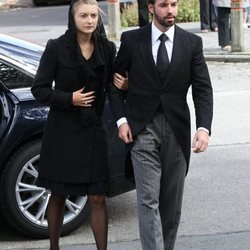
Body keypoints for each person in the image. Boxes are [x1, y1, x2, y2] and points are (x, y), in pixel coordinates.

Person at [110, 0, 213, 249]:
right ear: (151, 8)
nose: (171, 10)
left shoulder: (192, 43)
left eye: (175, 4)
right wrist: (122, 120)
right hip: (141, 129)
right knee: (147, 200)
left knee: (171, 204)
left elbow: (202, 89)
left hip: (176, 130)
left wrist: (203, 127)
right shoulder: (132, 40)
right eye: (164, 5)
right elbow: (112, 86)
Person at [31, 0, 125, 249]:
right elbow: (39, 89)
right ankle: (54, 247)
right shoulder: (56, 47)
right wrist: (68, 98)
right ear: (73, 18)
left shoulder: (107, 48)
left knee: (97, 197)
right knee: (58, 194)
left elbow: (112, 90)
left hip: (93, 131)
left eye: (94, 15)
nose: (89, 20)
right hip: (62, 132)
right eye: (84, 15)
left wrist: (123, 93)